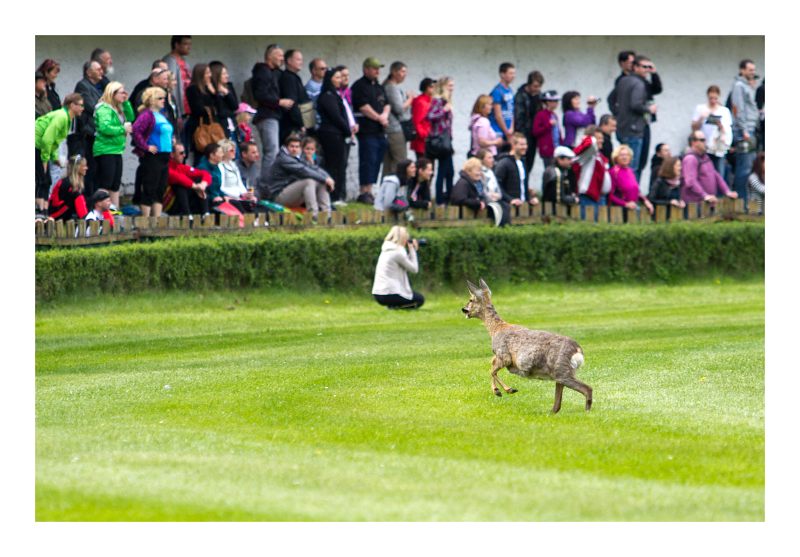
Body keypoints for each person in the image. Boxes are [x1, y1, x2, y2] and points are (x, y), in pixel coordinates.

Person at [252, 44, 294, 194]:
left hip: (273, 116)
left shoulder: (273, 72)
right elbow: (260, 94)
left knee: (274, 151)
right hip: (267, 116)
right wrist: (279, 102)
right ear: (270, 56)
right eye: (279, 55)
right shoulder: (262, 72)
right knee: (272, 151)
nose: (282, 59)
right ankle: (265, 188)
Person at [267, 134, 334, 222]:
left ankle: (327, 215)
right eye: (292, 146)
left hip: (293, 194)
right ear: (286, 147)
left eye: (297, 147)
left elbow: (314, 169)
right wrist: (325, 179)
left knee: (321, 181)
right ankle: (314, 215)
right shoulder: (284, 158)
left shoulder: (298, 157)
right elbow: (303, 170)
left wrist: (328, 178)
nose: (294, 149)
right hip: (278, 196)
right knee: (309, 181)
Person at [35, 93, 85, 212]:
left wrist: (54, 157)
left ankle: (45, 210)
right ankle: (38, 211)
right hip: (36, 145)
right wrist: (45, 159)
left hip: (41, 147)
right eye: (80, 105)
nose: (83, 108)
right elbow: (47, 139)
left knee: (47, 181)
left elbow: (54, 142)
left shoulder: (67, 118)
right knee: (41, 179)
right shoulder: (62, 117)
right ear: (72, 105)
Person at [351, 57, 390, 205]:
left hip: (380, 131)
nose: (377, 71)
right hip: (367, 130)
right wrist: (379, 118)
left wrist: (385, 115)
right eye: (374, 68)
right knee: (368, 159)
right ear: (366, 69)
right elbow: (363, 107)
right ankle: (364, 191)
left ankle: (371, 189)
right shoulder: (359, 86)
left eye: (378, 69)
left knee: (377, 160)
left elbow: (386, 104)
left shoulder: (378, 86)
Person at [614, 55, 658, 184]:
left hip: (622, 128)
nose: (647, 70)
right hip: (634, 130)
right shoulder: (639, 84)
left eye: (649, 67)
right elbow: (636, 104)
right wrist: (650, 109)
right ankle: (631, 198)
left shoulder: (623, 80)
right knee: (633, 167)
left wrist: (619, 114)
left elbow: (611, 99)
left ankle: (625, 197)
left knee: (623, 166)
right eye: (644, 67)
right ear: (636, 67)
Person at [132, 87, 174, 217]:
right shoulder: (147, 115)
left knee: (160, 188)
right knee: (150, 187)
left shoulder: (161, 115)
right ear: (151, 100)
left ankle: (156, 219)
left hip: (164, 156)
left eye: (164, 98)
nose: (163, 101)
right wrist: (146, 147)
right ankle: (145, 220)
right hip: (153, 156)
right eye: (160, 98)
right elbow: (136, 131)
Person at [93, 81, 133, 211]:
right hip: (105, 149)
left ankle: (114, 210)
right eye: (121, 92)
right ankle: (101, 210)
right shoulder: (104, 108)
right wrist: (122, 129)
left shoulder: (118, 108)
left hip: (116, 150)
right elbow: (105, 128)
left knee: (115, 184)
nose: (124, 94)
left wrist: (126, 103)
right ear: (112, 93)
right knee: (106, 182)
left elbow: (131, 117)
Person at [316, 68, 352, 204]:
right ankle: (333, 196)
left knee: (340, 164)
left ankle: (337, 195)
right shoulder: (327, 96)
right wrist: (347, 129)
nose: (340, 80)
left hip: (337, 133)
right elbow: (336, 116)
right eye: (337, 78)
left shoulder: (334, 95)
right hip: (331, 134)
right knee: (334, 165)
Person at [371, 225, 424, 310]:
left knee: (415, 297)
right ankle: (394, 306)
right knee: (419, 300)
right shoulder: (397, 252)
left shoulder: (386, 249)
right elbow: (414, 269)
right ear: (403, 238)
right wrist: (412, 250)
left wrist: (410, 251)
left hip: (378, 293)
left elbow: (405, 263)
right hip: (390, 293)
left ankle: (393, 305)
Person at [681, 131, 739, 205]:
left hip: (706, 204)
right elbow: (690, 182)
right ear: (693, 142)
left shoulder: (705, 157)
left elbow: (715, 175)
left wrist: (727, 191)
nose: (705, 142)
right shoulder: (690, 159)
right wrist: (704, 195)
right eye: (702, 140)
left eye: (705, 139)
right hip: (694, 206)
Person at [73, 59, 105, 196]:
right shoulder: (83, 86)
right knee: (88, 169)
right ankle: (86, 201)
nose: (101, 71)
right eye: (98, 69)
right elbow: (93, 107)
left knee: (95, 169)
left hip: (95, 134)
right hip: (87, 134)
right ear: (88, 72)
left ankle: (92, 200)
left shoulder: (96, 88)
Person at [730, 59, 760, 204]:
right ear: (742, 70)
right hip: (744, 132)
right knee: (744, 168)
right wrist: (744, 130)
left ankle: (748, 201)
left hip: (751, 131)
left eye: (754, 70)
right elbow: (737, 109)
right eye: (750, 70)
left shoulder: (748, 86)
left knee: (751, 167)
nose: (752, 72)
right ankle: (741, 202)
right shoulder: (739, 86)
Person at [692, 85, 733, 179]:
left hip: (718, 146)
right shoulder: (700, 108)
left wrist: (720, 125)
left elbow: (728, 129)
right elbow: (694, 128)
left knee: (719, 172)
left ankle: (719, 192)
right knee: (704, 172)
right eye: (711, 98)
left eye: (715, 98)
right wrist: (701, 118)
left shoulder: (724, 111)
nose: (713, 101)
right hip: (703, 146)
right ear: (707, 96)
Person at [571, 126, 611, 219]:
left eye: (602, 138)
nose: (601, 141)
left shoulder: (599, 156)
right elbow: (590, 144)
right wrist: (588, 138)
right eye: (599, 138)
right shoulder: (588, 153)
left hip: (600, 197)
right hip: (588, 197)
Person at [427, 77, 455, 205]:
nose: (452, 88)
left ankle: (448, 197)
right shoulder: (438, 101)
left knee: (450, 171)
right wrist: (443, 111)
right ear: (443, 86)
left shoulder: (447, 101)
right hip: (439, 140)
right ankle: (440, 200)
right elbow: (430, 116)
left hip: (446, 140)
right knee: (443, 171)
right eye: (449, 85)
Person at [382, 61, 413, 175]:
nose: (404, 74)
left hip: (391, 129)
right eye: (402, 71)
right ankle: (396, 190)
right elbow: (399, 108)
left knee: (390, 162)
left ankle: (386, 190)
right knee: (400, 161)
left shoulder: (390, 86)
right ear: (394, 72)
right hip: (394, 129)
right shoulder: (391, 87)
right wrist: (410, 99)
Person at [164, 142, 210, 216]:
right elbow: (178, 178)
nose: (184, 155)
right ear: (172, 155)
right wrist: (195, 186)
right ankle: (187, 215)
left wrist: (203, 184)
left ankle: (205, 213)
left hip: (180, 201)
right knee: (180, 184)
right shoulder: (165, 167)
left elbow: (205, 173)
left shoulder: (181, 166)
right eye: (181, 153)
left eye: (184, 152)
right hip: (168, 204)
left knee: (199, 180)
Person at [495, 133, 539, 208]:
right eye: (521, 145)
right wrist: (510, 200)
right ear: (513, 145)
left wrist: (529, 199)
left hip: (523, 207)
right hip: (509, 207)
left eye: (526, 144)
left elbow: (522, 185)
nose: (525, 147)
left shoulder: (523, 162)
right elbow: (497, 185)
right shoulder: (503, 163)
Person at [513, 70, 544, 176]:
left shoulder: (539, 96)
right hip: (524, 133)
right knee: (522, 162)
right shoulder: (520, 96)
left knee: (529, 163)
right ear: (529, 84)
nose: (537, 89)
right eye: (535, 86)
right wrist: (521, 135)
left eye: (539, 86)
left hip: (533, 135)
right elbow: (519, 117)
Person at [608, 144, 653, 215]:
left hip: (633, 208)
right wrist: (625, 204)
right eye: (621, 155)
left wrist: (646, 201)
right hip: (619, 210)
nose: (624, 157)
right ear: (616, 158)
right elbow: (610, 195)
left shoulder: (630, 171)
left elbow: (636, 191)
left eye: (627, 155)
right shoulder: (613, 172)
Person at [185, 63, 217, 163]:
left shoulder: (209, 87)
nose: (210, 75)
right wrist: (210, 108)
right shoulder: (193, 89)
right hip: (199, 125)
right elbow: (198, 109)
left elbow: (218, 106)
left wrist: (213, 93)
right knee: (201, 154)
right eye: (207, 73)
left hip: (211, 124)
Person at [162, 36, 192, 140]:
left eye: (190, 44)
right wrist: (177, 113)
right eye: (185, 44)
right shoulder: (170, 61)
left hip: (187, 111)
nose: (189, 47)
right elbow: (171, 88)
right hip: (178, 111)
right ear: (176, 45)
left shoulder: (184, 61)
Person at [217, 138, 259, 213]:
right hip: (230, 198)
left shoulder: (233, 165)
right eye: (231, 150)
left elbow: (240, 184)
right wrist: (235, 196)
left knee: (258, 206)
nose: (234, 152)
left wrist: (245, 194)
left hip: (238, 198)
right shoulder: (220, 166)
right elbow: (221, 187)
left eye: (234, 150)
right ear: (224, 152)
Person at [278, 49, 310, 142]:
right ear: (289, 61)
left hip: (300, 125)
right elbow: (292, 103)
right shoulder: (288, 78)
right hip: (292, 127)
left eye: (302, 60)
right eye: (298, 59)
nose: (301, 62)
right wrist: (301, 124)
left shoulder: (295, 77)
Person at [475, 149, 511, 226]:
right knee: (497, 208)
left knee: (506, 206)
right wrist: (490, 197)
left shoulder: (491, 172)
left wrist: (498, 195)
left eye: (492, 157)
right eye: (489, 158)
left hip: (496, 199)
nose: (492, 160)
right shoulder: (479, 173)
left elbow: (498, 189)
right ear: (481, 160)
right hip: (487, 202)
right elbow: (482, 191)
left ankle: (506, 230)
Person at [47, 155, 88, 221]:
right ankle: (85, 219)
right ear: (77, 168)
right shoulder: (66, 182)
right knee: (77, 196)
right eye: (84, 166)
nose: (86, 168)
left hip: (67, 211)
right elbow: (56, 203)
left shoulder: (77, 182)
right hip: (56, 213)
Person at [209, 61, 240, 145]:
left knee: (235, 151)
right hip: (220, 127)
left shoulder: (229, 87)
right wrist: (216, 94)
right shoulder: (211, 90)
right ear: (216, 75)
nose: (227, 76)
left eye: (227, 73)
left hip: (232, 124)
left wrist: (226, 93)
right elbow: (219, 111)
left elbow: (235, 106)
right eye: (224, 74)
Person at [531, 90, 562, 168]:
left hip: (557, 148)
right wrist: (549, 125)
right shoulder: (541, 115)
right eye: (554, 101)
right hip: (547, 150)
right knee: (550, 171)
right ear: (548, 102)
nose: (556, 103)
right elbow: (535, 131)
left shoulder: (554, 115)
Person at [490, 62, 516, 145]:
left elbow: (512, 110)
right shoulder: (497, 91)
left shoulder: (510, 90)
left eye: (514, 73)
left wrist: (511, 128)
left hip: (509, 130)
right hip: (499, 131)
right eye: (510, 73)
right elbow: (498, 115)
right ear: (502, 74)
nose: (513, 76)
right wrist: (506, 131)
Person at [410, 77, 435, 159]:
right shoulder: (421, 102)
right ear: (425, 88)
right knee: (423, 167)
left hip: (429, 140)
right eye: (431, 87)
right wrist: (425, 136)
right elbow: (417, 122)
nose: (434, 89)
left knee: (429, 167)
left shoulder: (430, 101)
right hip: (423, 141)